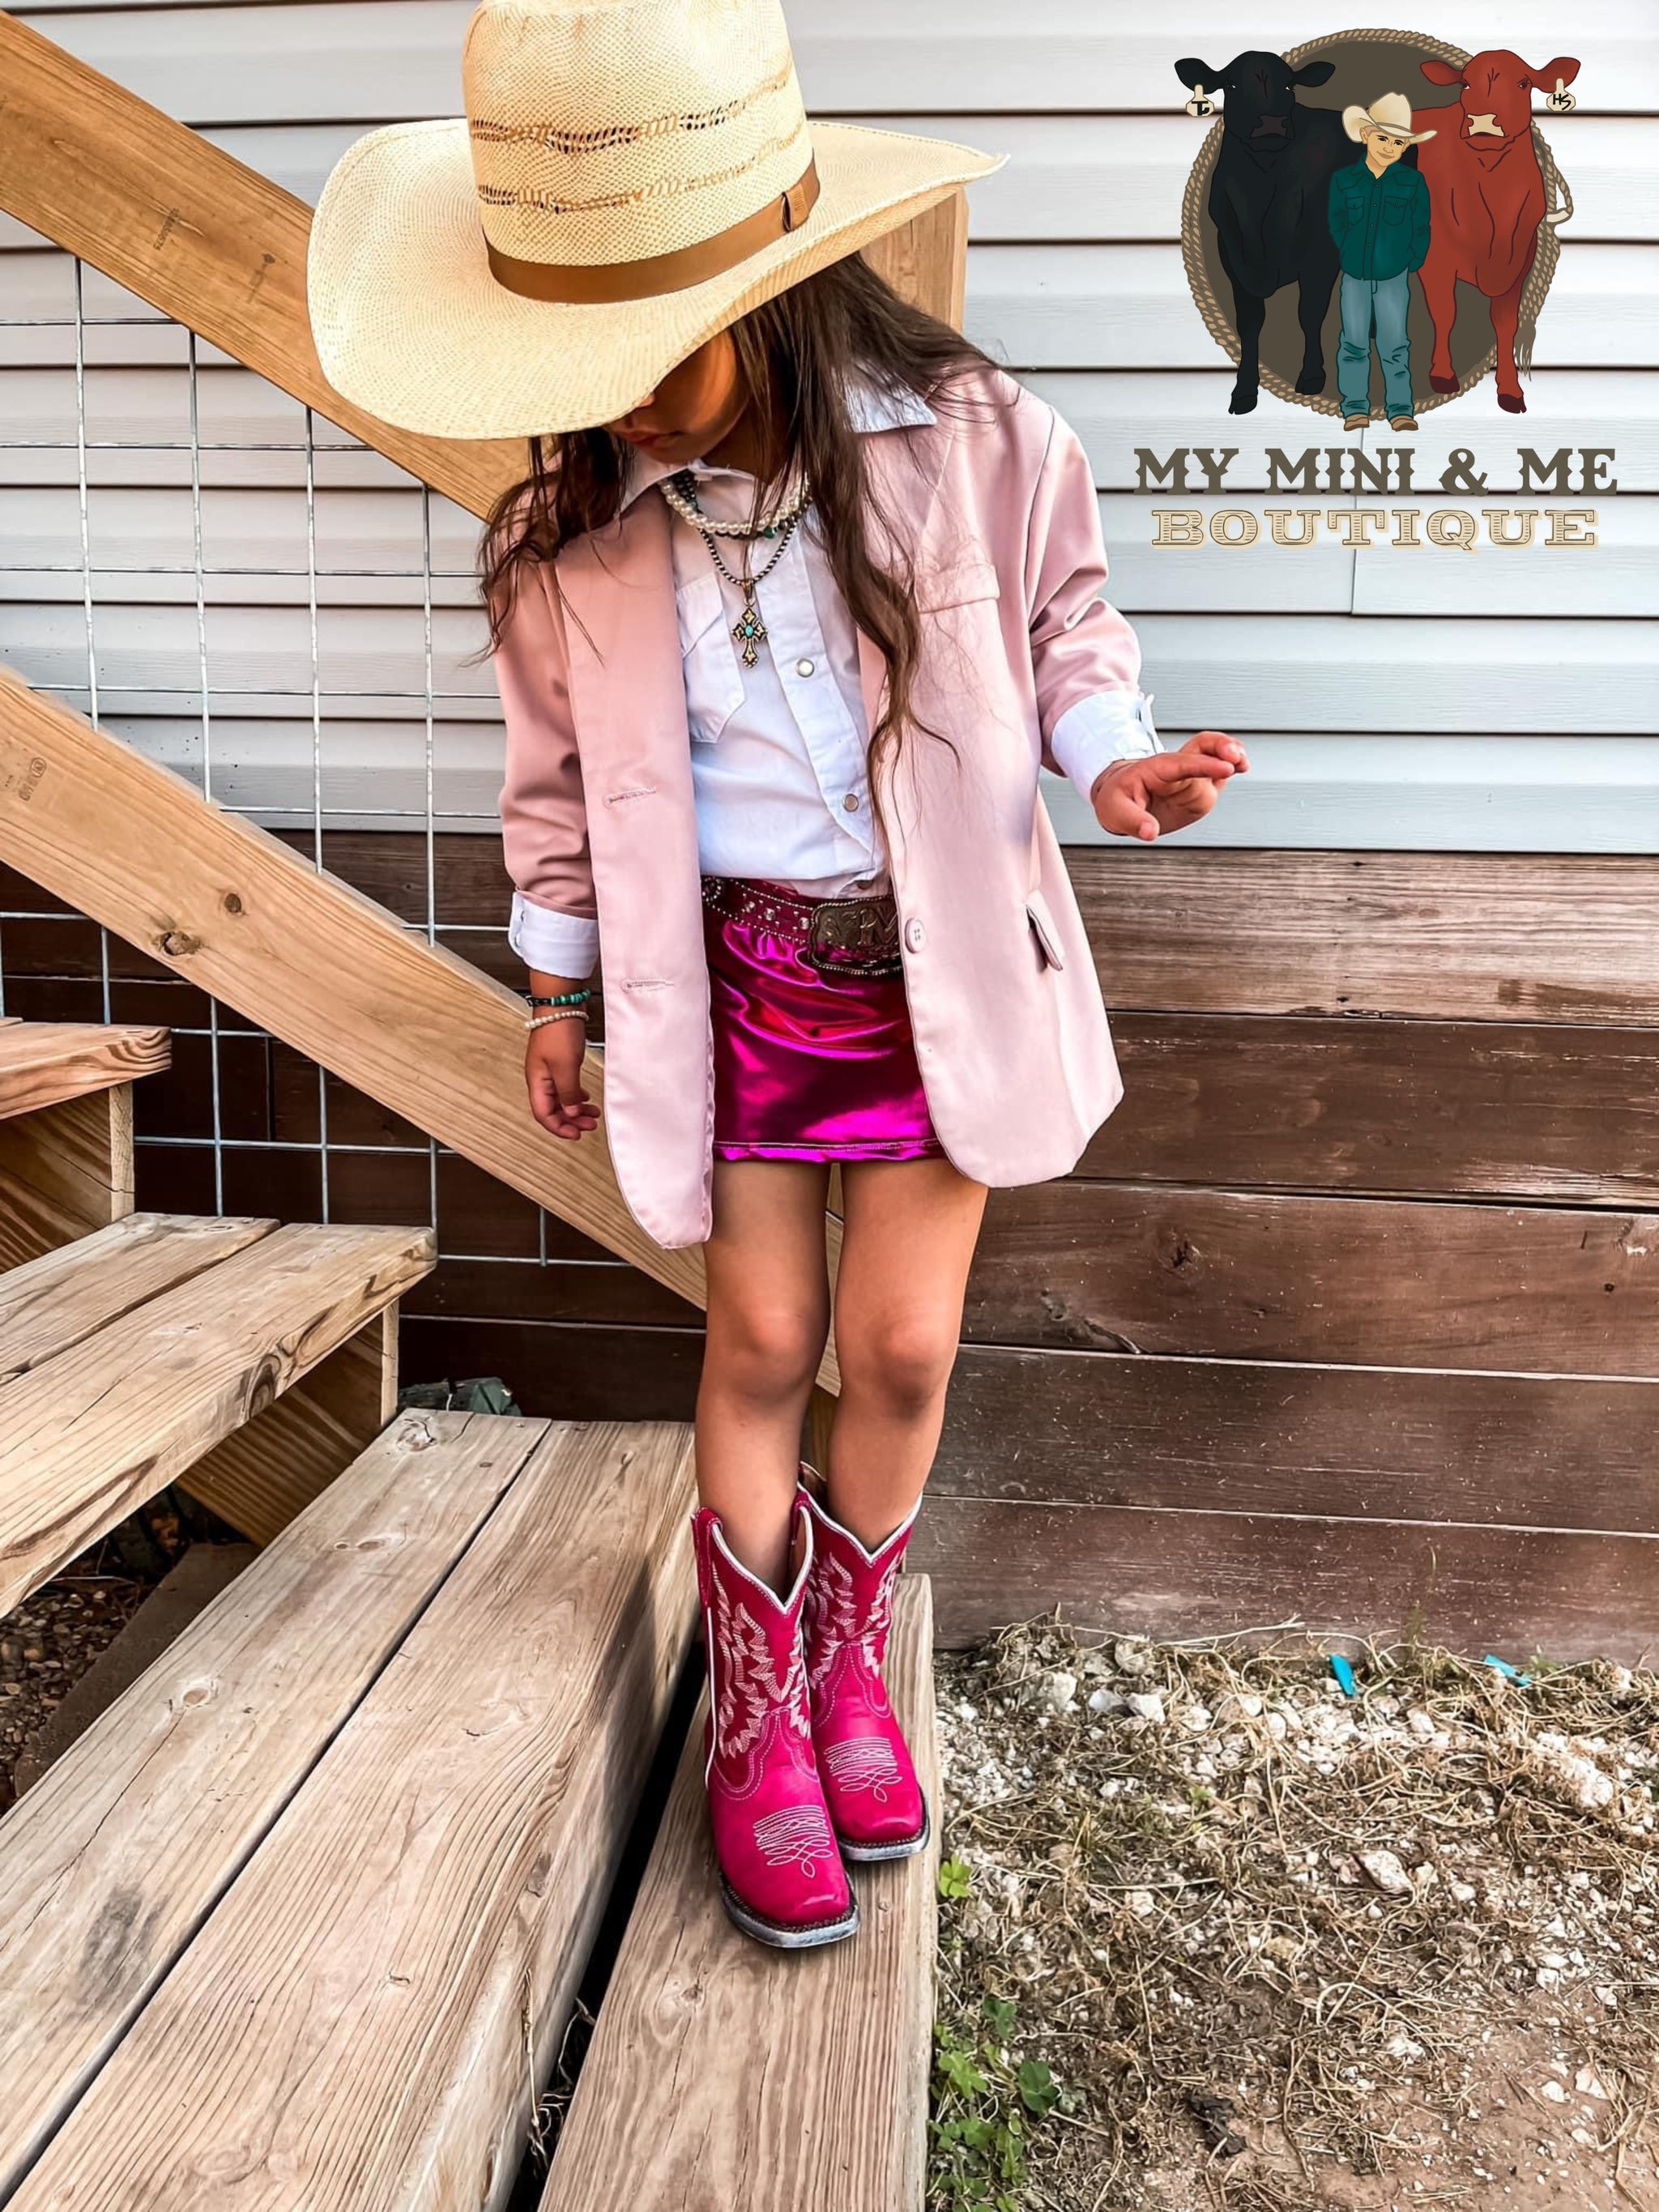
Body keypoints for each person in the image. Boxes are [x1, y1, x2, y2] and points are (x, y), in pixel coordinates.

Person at [307, 0, 1247, 1951]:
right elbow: (552, 791)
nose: (626, 398)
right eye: (578, 362)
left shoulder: (982, 441)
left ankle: (840, 1663)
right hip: (726, 991)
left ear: (777, 280)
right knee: (756, 1344)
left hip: (934, 976)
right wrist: (554, 990)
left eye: (653, 348)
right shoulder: (563, 544)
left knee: (896, 1349)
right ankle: (750, 1722)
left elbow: (1069, 625)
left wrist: (1113, 757)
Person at [1328, 92, 1435, 432]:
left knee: (1395, 344)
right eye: (1383, 138)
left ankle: (1400, 409)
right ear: (1365, 135)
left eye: (1399, 142)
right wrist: (1347, 251)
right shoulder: (1344, 180)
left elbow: (1422, 225)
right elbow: (1337, 221)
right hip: (1355, 276)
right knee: (1354, 341)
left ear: (1406, 148)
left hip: (1393, 276)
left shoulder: (1413, 181)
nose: (1389, 147)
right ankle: (1355, 408)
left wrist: (1410, 260)